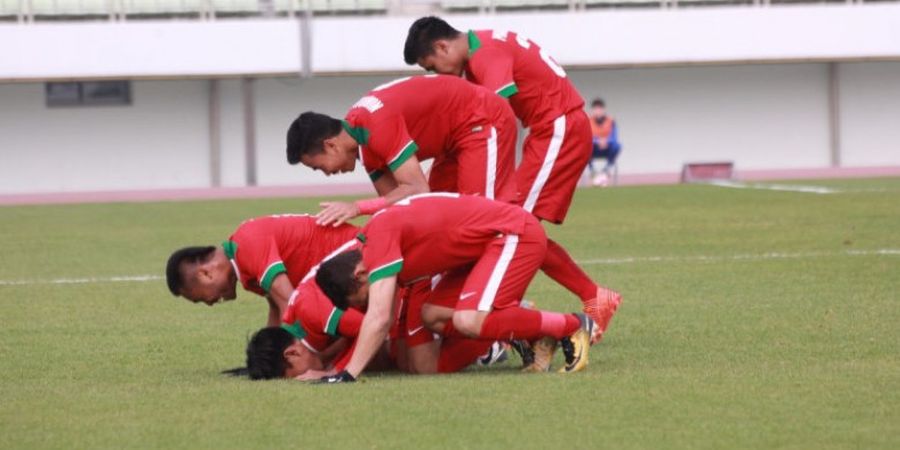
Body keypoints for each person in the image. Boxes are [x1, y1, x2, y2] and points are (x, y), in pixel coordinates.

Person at [403, 17, 621, 343]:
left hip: (557, 129)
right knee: (515, 227)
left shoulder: (485, 55)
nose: (438, 74)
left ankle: (583, 296)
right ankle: (549, 300)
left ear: (442, 46)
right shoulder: (484, 46)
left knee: (515, 227)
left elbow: (494, 117)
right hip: (549, 129)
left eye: (433, 66)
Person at [313, 193, 595, 383]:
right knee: (432, 315)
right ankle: (525, 329)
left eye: (362, 298)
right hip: (486, 246)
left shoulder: (377, 241)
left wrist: (346, 374)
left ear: (360, 274)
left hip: (511, 233)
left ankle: (571, 325)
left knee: (467, 319)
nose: (369, 301)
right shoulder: (375, 239)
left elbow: (379, 317)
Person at [285, 74, 517, 228]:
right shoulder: (364, 146)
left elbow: (416, 189)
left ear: (331, 145)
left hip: (482, 118)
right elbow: (402, 209)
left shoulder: (376, 125)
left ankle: (499, 299)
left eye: (318, 166)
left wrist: (356, 208)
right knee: (439, 220)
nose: (325, 173)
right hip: (454, 141)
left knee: (480, 220)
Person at [164, 214, 358, 326]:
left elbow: (291, 305)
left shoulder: (246, 244)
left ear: (206, 273)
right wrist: (267, 353)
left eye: (198, 299)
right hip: (348, 277)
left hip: (362, 259)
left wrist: (293, 357)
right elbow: (277, 306)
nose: (209, 303)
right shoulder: (243, 267)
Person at [587, 98, 621, 187]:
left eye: (600, 108)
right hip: (593, 148)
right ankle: (592, 171)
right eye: (596, 108)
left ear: (603, 110)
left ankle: (606, 170)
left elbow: (614, 137)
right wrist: (597, 141)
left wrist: (606, 141)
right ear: (593, 110)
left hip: (607, 148)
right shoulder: (588, 121)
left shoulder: (611, 121)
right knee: (583, 147)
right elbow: (586, 137)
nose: (598, 111)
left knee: (617, 146)